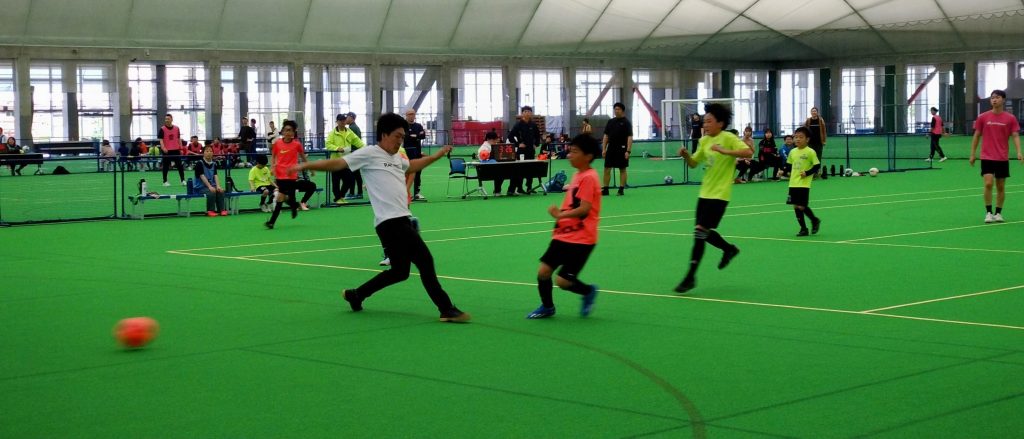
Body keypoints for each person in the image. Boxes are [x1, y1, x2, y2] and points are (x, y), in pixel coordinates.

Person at [293, 112, 470, 323]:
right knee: (425, 260)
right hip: (390, 222)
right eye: (397, 136)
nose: (400, 141)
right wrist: (306, 165)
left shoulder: (397, 157)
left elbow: (413, 165)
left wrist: (438, 155)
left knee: (400, 272)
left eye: (402, 137)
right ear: (384, 134)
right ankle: (446, 308)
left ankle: (356, 295)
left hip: (400, 220)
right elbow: (338, 164)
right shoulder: (369, 153)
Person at [674, 103, 752, 294]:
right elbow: (694, 164)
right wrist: (686, 155)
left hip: (720, 194)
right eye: (704, 121)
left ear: (720, 123)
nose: (705, 124)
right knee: (701, 232)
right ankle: (729, 249)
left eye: (709, 121)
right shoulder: (704, 141)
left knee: (700, 231)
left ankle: (690, 276)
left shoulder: (729, 138)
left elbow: (749, 152)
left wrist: (726, 152)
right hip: (704, 193)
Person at [526, 134, 602, 319]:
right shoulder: (578, 174)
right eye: (570, 151)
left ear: (588, 156)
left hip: (582, 239)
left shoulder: (589, 177)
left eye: (575, 152)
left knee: (563, 281)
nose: (569, 155)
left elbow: (584, 209)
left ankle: (588, 291)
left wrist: (560, 215)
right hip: (563, 234)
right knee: (544, 272)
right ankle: (547, 307)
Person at [970, 89, 1022, 223]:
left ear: (1003, 100)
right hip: (986, 157)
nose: (994, 100)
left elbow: (1015, 135)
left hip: (1002, 158)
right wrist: (973, 154)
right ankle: (988, 212)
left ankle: (998, 213)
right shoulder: (983, 117)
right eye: (992, 97)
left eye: (997, 97)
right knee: (988, 184)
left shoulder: (1010, 118)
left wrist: (1019, 151)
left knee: (1000, 186)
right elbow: (976, 136)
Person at [265, 120, 307, 229]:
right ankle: (272, 222)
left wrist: (309, 168)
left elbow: (303, 157)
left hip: (291, 174)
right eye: (286, 130)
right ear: (282, 131)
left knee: (288, 197)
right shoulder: (277, 143)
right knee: (281, 197)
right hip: (280, 175)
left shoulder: (297, 144)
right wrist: (272, 167)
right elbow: (273, 156)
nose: (288, 132)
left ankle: (293, 207)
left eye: (290, 130)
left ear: (293, 132)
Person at [787, 127, 822, 236]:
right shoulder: (792, 152)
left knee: (801, 206)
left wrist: (807, 173)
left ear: (807, 139)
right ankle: (803, 229)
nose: (797, 139)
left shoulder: (810, 152)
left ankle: (814, 220)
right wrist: (782, 171)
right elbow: (789, 165)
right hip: (793, 183)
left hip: (804, 184)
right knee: (795, 206)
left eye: (801, 137)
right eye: (796, 137)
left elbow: (817, 166)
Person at [325, 113, 365, 203]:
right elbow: (328, 144)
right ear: (337, 122)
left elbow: (357, 141)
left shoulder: (349, 132)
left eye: (344, 120)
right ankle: (338, 198)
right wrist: (337, 148)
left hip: (346, 161)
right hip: (335, 162)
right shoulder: (332, 133)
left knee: (350, 180)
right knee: (336, 182)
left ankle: (341, 196)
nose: (343, 122)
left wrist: (365, 148)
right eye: (341, 120)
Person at [507, 105, 541, 195]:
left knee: (530, 169)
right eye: (525, 111)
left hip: (531, 151)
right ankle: (519, 188)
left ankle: (529, 187)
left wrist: (536, 144)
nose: (527, 113)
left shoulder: (533, 125)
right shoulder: (518, 125)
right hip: (521, 152)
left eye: (529, 111)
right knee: (520, 169)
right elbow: (510, 136)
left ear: (531, 113)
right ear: (522, 114)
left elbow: (538, 136)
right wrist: (518, 144)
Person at [602, 102, 633, 196]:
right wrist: (604, 149)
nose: (616, 111)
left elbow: (630, 137)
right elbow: (606, 136)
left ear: (622, 111)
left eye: (618, 109)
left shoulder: (627, 122)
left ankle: (621, 189)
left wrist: (628, 151)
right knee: (607, 169)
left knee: (622, 169)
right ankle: (605, 190)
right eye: (615, 109)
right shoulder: (610, 122)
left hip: (622, 149)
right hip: (611, 148)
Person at [193, 144, 227, 217]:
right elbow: (202, 176)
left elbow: (215, 175)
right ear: (203, 153)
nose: (209, 153)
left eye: (211, 151)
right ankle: (210, 211)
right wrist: (209, 187)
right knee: (211, 192)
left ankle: (221, 210)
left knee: (220, 191)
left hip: (211, 186)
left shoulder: (214, 163)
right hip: (200, 187)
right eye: (207, 151)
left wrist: (218, 186)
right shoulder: (199, 163)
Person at [404, 109, 428, 200]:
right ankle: (405, 192)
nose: (412, 116)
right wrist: (416, 136)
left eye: (413, 114)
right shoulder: (403, 126)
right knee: (406, 173)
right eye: (410, 114)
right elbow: (406, 137)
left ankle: (417, 193)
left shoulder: (418, 126)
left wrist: (416, 136)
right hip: (407, 153)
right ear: (406, 115)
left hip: (417, 152)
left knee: (418, 172)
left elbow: (423, 135)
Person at [158, 114, 186, 186]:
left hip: (176, 150)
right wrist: (163, 148)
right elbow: (161, 140)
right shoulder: (162, 129)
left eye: (168, 119)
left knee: (180, 166)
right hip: (167, 151)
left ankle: (183, 180)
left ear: (172, 119)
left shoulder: (177, 128)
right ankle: (165, 181)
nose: (167, 120)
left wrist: (181, 148)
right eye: (166, 119)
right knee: (166, 166)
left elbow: (179, 139)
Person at [803, 107, 827, 179]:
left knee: (818, 157)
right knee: (810, 157)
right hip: (810, 142)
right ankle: (810, 172)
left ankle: (817, 172)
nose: (814, 112)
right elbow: (804, 129)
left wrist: (824, 141)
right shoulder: (808, 120)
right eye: (812, 111)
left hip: (819, 142)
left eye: (815, 111)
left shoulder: (821, 120)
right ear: (811, 112)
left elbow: (824, 131)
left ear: (817, 112)